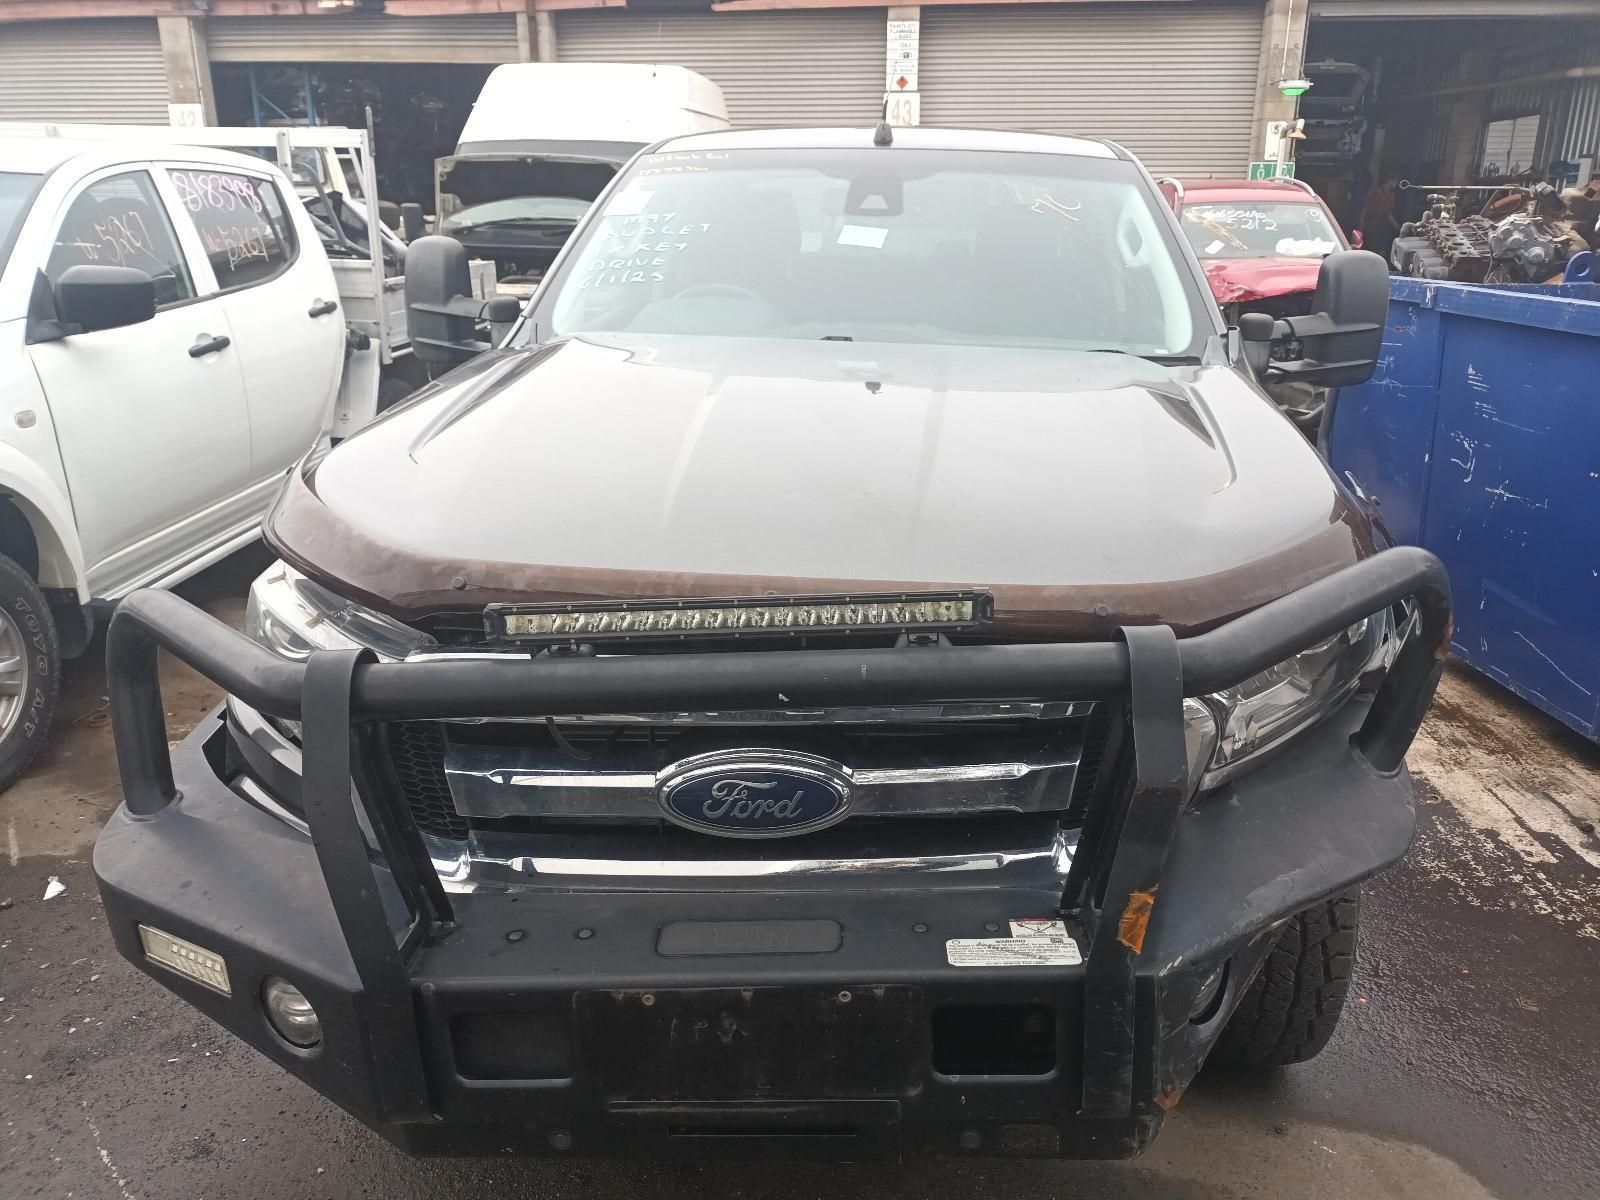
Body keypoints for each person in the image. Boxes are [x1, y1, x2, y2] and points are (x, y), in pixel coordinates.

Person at [1360, 174, 1401, 261]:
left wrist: (1398, 227)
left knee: (1382, 247)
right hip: (1371, 223)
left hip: (1382, 225)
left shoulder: (1391, 195)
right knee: (1370, 247)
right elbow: (1365, 209)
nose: (1396, 184)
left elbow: (1388, 214)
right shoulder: (1376, 192)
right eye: (1395, 181)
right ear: (1389, 180)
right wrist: (1361, 225)